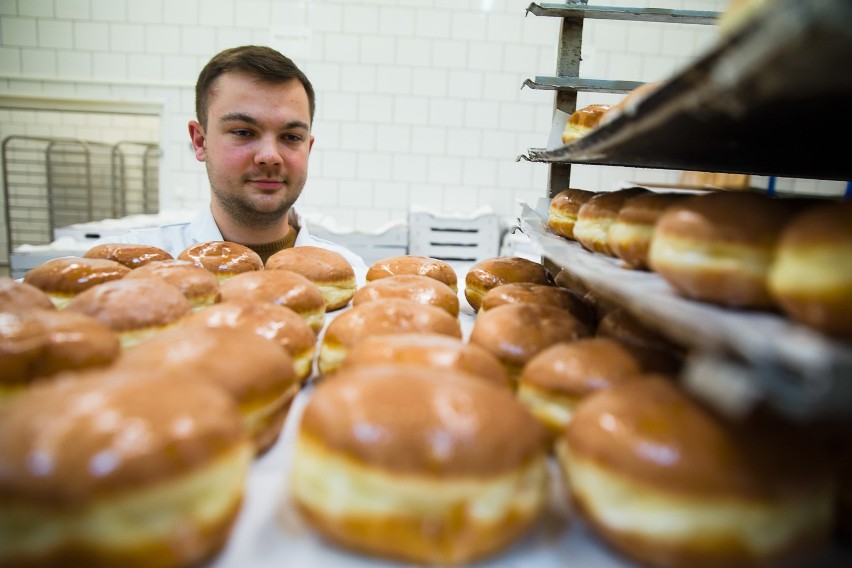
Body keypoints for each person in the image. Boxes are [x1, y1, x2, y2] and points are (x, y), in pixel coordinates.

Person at [96, 45, 367, 283]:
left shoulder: (352, 274)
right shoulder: (123, 268)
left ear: (308, 148)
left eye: (291, 137)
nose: (270, 155)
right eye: (243, 132)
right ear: (200, 142)